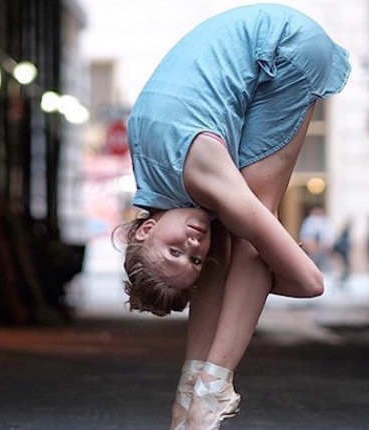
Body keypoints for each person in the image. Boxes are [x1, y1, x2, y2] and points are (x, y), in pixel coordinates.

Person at [113, 5, 350, 429]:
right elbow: (209, 246)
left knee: (250, 231)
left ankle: (213, 385)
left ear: (145, 228)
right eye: (194, 261)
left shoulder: (199, 174)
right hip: (257, 40)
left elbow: (311, 283)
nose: (192, 247)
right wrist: (241, 270)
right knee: (232, 233)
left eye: (173, 251)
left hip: (285, 49)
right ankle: (191, 385)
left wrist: (262, 261)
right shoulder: (157, 181)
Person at [298, 206, 334, 273]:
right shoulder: (309, 222)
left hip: (323, 248)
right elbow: (305, 236)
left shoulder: (325, 222)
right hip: (312, 248)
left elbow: (329, 235)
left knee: (325, 265)